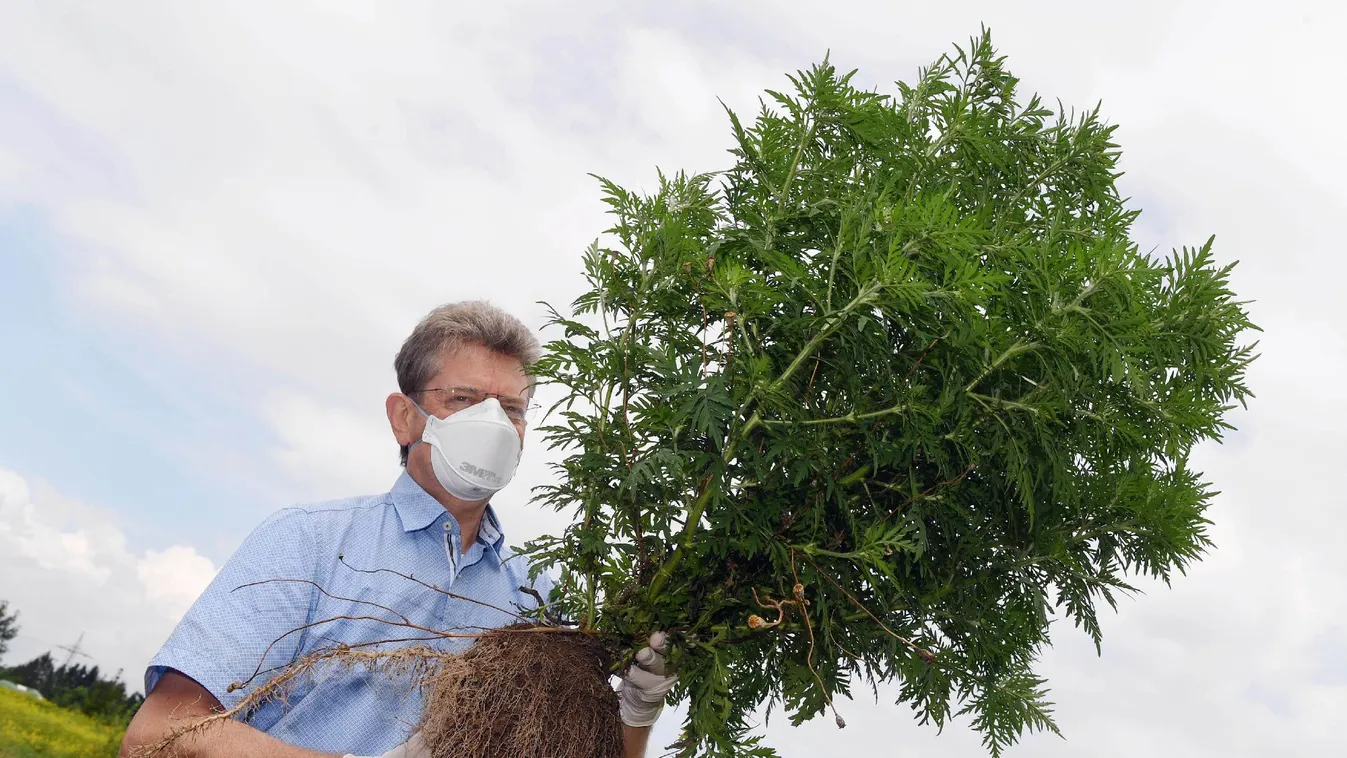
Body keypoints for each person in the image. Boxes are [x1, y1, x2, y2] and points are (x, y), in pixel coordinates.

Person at [120, 301, 676, 758]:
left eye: (511, 408)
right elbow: (159, 735)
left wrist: (633, 715)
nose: (493, 424)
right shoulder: (312, 542)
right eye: (463, 400)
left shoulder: (540, 601)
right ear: (403, 416)